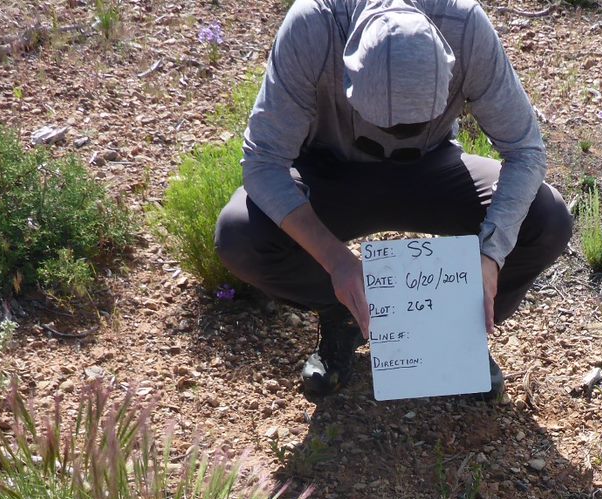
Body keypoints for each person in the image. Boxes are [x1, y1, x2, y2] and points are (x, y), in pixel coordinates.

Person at [215, 0, 573, 400]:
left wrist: (491, 255)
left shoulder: (465, 25)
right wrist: (336, 262)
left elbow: (525, 151)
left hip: (431, 168)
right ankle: (344, 313)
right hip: (330, 172)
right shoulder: (313, 27)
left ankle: (452, 333)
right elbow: (263, 161)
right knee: (240, 234)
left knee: (547, 219)